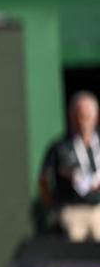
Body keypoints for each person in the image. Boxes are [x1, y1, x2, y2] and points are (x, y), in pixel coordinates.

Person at [40, 92, 100, 242]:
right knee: (74, 257)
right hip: (72, 213)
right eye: (79, 115)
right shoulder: (60, 147)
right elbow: (44, 180)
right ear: (71, 117)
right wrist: (54, 207)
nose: (83, 121)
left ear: (96, 117)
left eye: (88, 116)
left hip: (98, 210)